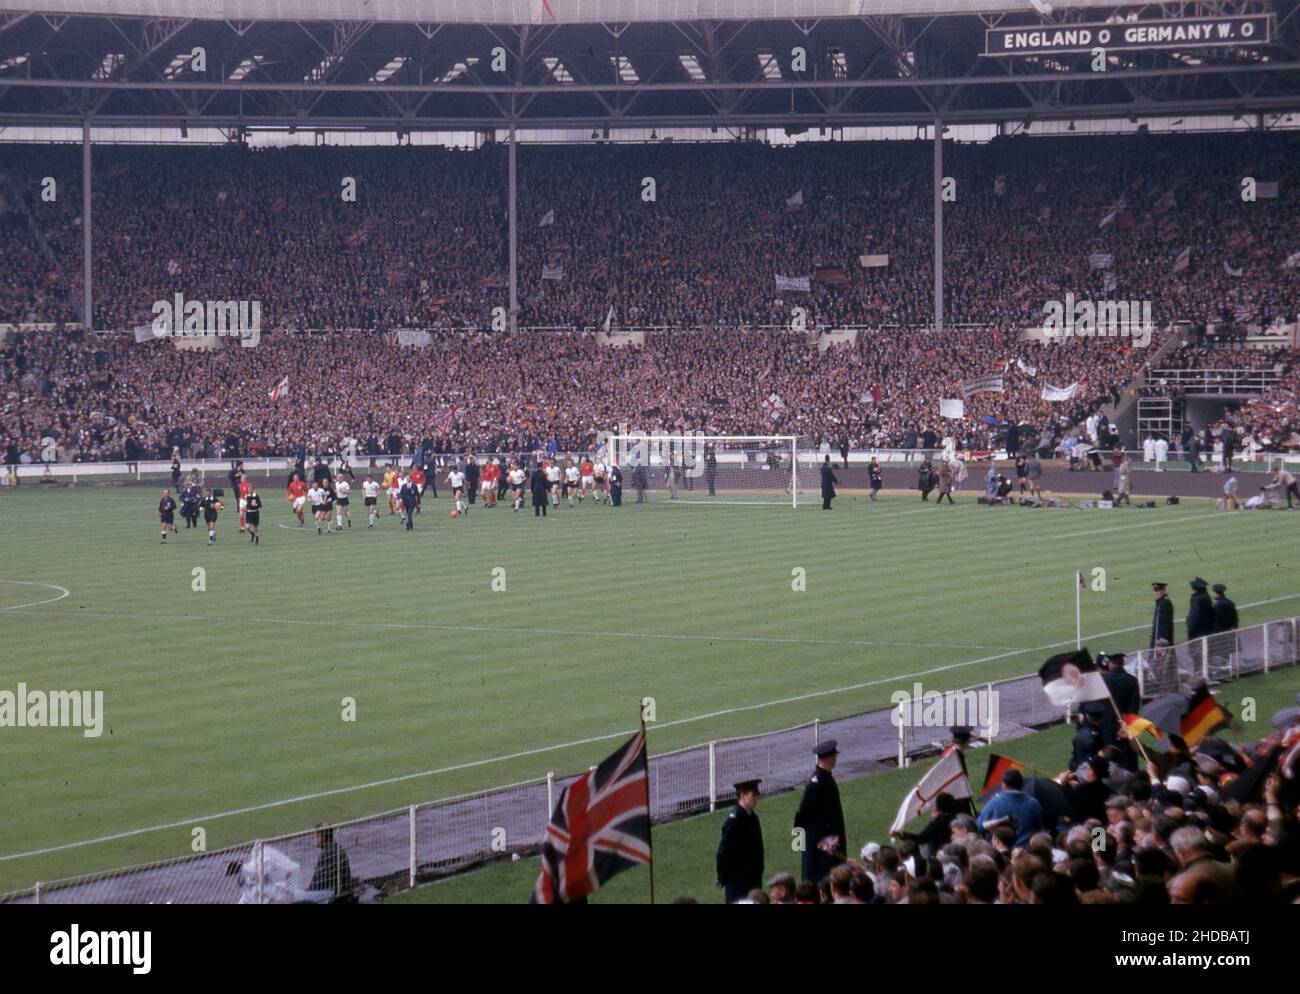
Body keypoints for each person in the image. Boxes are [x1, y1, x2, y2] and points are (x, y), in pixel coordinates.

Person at [793, 740, 846, 882]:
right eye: (834, 756)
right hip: (820, 842)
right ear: (829, 758)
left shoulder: (825, 778)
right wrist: (799, 842)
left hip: (827, 840)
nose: (836, 759)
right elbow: (802, 814)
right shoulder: (816, 783)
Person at [716, 779, 764, 903]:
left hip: (753, 879)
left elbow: (758, 849)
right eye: (753, 795)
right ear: (742, 796)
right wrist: (722, 877)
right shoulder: (734, 821)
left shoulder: (753, 818)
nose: (756, 798)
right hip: (737, 881)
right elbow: (723, 852)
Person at [975, 768, 1044, 848]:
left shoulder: (994, 803)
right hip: (1027, 850)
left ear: (1004, 785)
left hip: (1001, 852)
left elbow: (978, 827)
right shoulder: (1034, 803)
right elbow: (1039, 828)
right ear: (1022, 784)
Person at [308, 823, 358, 904]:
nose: (315, 839)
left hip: (331, 896)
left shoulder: (326, 854)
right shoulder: (339, 848)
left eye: (316, 836)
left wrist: (307, 892)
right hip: (343, 892)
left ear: (322, 837)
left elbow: (317, 881)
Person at [1150, 581, 1174, 648]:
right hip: (1158, 640)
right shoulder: (1160, 602)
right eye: (1155, 591)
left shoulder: (1165, 603)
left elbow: (1165, 624)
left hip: (1162, 642)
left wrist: (1161, 643)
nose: (1156, 593)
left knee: (1165, 657)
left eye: (1158, 590)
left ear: (1164, 591)